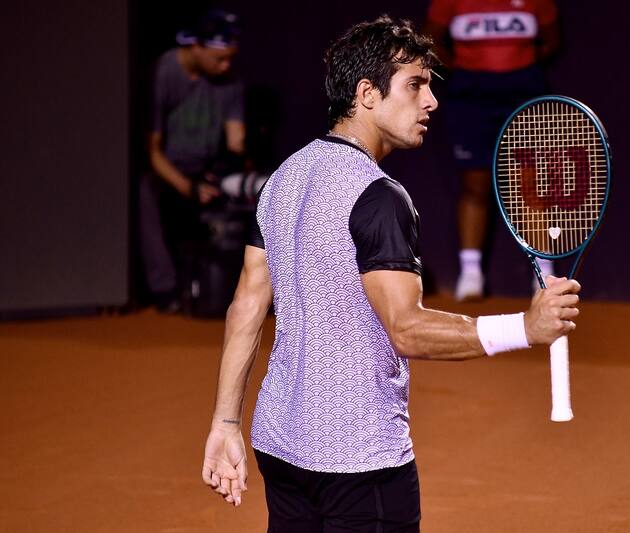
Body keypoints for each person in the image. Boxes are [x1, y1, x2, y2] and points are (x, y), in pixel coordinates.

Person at [201, 16, 580, 532]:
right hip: (361, 462)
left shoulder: (283, 178)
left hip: (281, 446)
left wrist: (226, 422)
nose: (432, 102)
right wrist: (525, 329)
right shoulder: (380, 197)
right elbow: (405, 328)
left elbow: (247, 305)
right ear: (366, 94)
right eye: (415, 85)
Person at [424, 0, 561, 300]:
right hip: (471, 97)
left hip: (522, 93)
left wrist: (516, 69)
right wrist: (464, 70)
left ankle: (543, 274)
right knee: (475, 186)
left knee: (530, 185)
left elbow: (551, 40)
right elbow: (431, 38)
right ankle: (471, 274)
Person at [139, 8, 245, 312]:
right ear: (196, 46)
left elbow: (236, 139)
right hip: (170, 170)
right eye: (219, 58)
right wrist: (189, 188)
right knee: (147, 191)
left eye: (230, 58)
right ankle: (165, 290)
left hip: (209, 170)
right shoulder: (164, 72)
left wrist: (228, 169)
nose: (226, 66)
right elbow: (153, 152)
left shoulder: (230, 83)